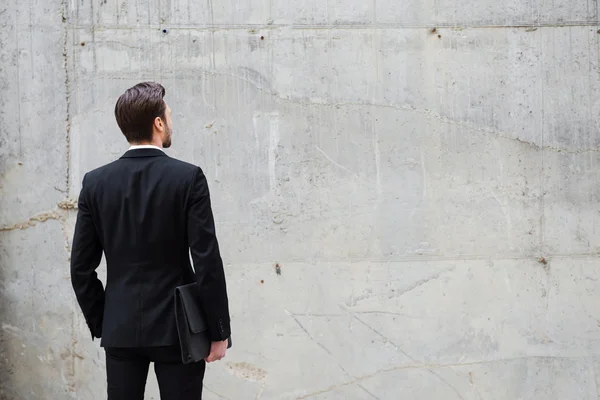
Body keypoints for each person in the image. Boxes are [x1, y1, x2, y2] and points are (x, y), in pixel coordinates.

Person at [70, 82, 231, 399]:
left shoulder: (95, 183)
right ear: (158, 123)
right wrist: (218, 330)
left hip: (120, 328)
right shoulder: (188, 177)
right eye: (169, 115)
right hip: (179, 331)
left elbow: (80, 269)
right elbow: (207, 260)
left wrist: (105, 320)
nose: (171, 122)